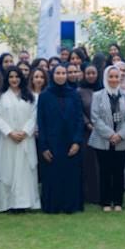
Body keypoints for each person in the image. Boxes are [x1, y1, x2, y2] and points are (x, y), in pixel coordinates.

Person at [36, 62, 87, 214]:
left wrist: (77, 141)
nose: (61, 76)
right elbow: (41, 122)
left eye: (63, 73)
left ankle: (71, 205)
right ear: (52, 75)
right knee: (53, 175)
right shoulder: (44, 96)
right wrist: (44, 146)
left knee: (71, 174)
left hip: (71, 141)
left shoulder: (74, 94)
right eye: (57, 73)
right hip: (52, 142)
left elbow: (79, 119)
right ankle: (54, 205)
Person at [87, 65, 125, 212]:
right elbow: (95, 118)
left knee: (119, 171)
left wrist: (120, 135)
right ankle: (106, 202)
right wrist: (110, 134)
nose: (114, 79)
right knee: (105, 171)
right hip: (103, 140)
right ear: (105, 78)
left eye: (116, 77)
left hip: (122, 139)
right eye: (111, 76)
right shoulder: (97, 96)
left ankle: (118, 201)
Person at [0, 69, 39, 212]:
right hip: (9, 139)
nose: (14, 79)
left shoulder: (30, 96)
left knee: (25, 170)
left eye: (17, 76)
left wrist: (25, 132)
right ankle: (8, 204)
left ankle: (25, 203)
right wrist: (10, 132)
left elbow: (34, 116)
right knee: (8, 169)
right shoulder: (1, 97)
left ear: (21, 78)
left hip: (25, 138)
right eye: (11, 77)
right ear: (7, 79)